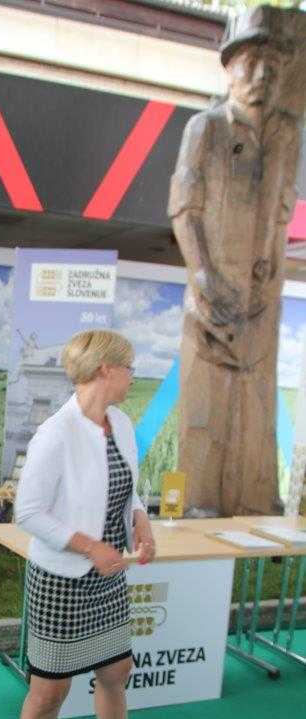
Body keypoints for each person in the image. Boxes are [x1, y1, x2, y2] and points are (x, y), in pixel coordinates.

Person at [0, 329, 169, 719]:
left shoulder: (122, 423)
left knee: (117, 671)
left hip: (109, 579)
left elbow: (129, 491)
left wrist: (142, 523)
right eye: (129, 367)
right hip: (63, 582)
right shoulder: (56, 433)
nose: (134, 375)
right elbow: (28, 512)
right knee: (48, 694)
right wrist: (91, 547)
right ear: (105, 370)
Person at [168, 6, 300, 515]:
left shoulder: (286, 134)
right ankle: (200, 501)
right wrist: (204, 278)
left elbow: (281, 211)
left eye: (273, 65)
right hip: (212, 294)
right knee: (206, 404)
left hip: (262, 297)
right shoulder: (205, 129)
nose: (263, 74)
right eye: (251, 62)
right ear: (229, 67)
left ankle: (254, 497)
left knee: (256, 402)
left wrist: (270, 272)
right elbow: (185, 209)